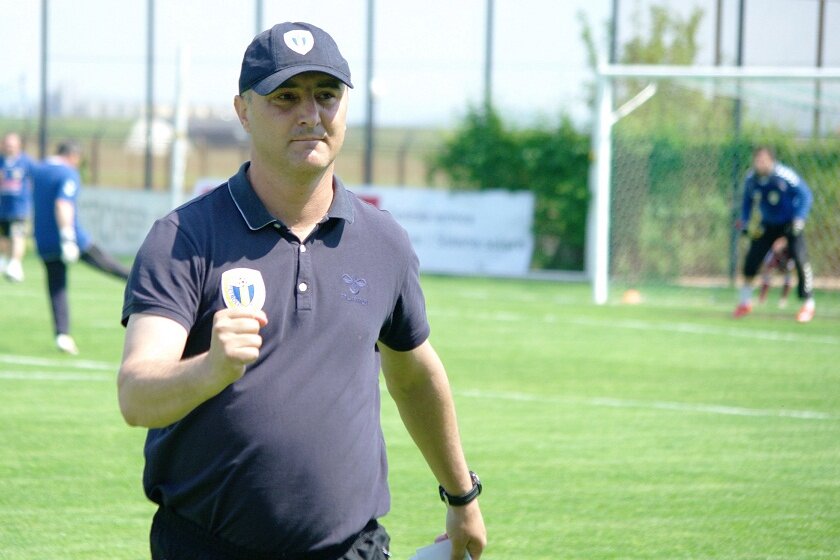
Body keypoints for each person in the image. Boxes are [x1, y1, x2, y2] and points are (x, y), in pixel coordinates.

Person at [117, 22, 486, 560]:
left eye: (326, 95)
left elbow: (414, 376)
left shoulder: (383, 241)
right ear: (244, 111)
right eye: (285, 97)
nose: (310, 114)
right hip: (207, 547)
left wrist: (462, 496)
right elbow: (136, 395)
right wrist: (211, 369)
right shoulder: (183, 238)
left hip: (352, 548)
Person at [32, 141, 131, 355]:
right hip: (72, 238)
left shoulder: (39, 171)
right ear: (73, 156)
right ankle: (147, 285)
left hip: (44, 239)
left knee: (56, 287)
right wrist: (67, 237)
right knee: (111, 266)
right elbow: (63, 204)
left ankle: (62, 335)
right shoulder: (68, 173)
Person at [733, 146, 815, 323]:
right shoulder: (751, 179)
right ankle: (745, 302)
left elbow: (805, 195)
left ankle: (808, 305)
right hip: (768, 225)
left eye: (764, 160)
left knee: (800, 259)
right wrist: (744, 221)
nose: (760, 164)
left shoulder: (784, 175)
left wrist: (799, 218)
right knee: (751, 260)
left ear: (772, 161)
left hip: (790, 224)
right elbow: (747, 201)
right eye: (757, 160)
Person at [0, 132, 36, 282]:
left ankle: (15, 265)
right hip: (2, 208)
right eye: (7, 144)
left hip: (19, 208)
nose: (9, 147)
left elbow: (36, 178)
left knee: (17, 235)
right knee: (4, 238)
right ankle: (4, 261)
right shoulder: (1, 161)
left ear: (18, 145)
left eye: (12, 145)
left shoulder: (26, 162)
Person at [758, 237, 794, 308]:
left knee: (788, 276)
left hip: (787, 254)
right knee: (767, 274)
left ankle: (783, 299)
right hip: (774, 253)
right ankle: (762, 298)